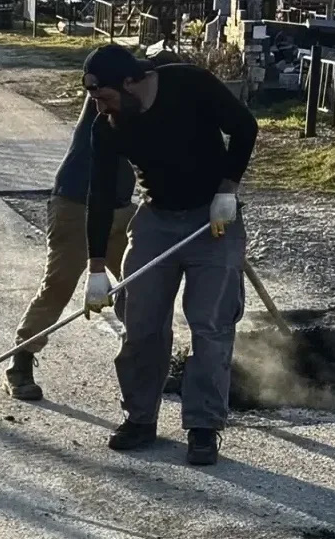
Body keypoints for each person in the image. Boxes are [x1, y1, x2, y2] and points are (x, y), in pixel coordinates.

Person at [82, 44, 257, 466]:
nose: (100, 107)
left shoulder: (189, 84)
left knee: (210, 324)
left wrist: (227, 192)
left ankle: (203, 426)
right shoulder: (108, 124)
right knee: (140, 322)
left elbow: (245, 127)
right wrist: (96, 269)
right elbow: (101, 195)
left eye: (103, 97)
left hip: (211, 220)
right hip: (156, 219)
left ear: (129, 81)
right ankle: (140, 418)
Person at [3, 94, 137, 401]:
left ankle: (145, 355)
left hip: (120, 207)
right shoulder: (110, 92)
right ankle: (19, 362)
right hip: (76, 204)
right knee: (59, 285)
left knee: (142, 282)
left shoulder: (155, 101)